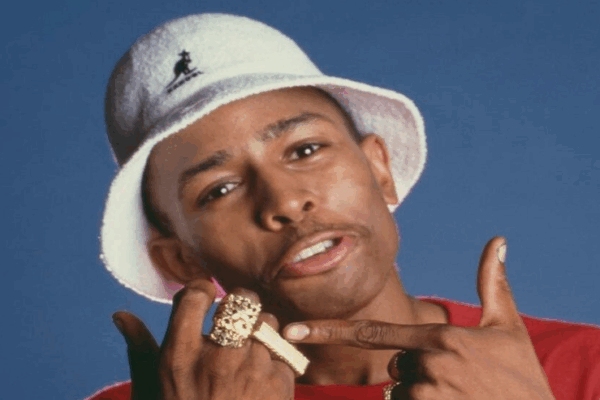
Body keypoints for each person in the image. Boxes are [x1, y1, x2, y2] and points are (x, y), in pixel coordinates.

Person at [86, 13, 600, 400]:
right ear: (182, 261)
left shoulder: (585, 367)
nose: (285, 202)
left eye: (305, 150)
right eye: (219, 190)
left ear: (380, 168)